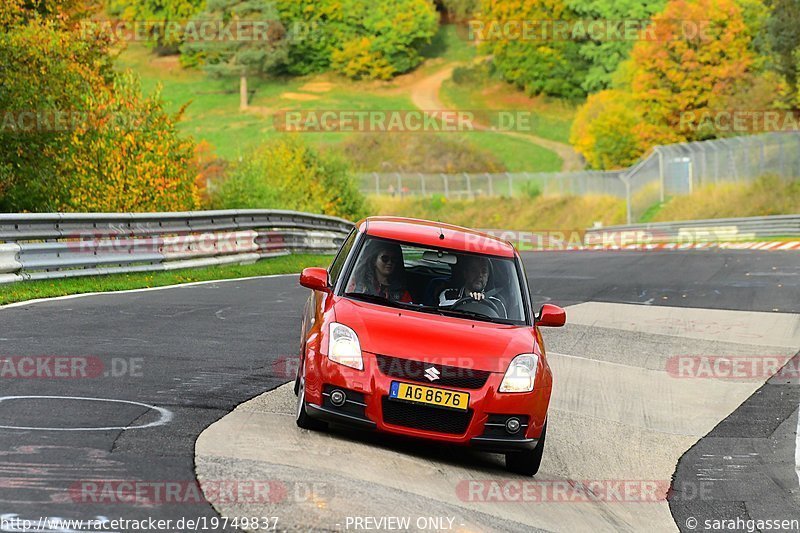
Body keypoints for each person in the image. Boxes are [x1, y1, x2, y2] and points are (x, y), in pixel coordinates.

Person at [439, 255, 507, 316]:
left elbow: (503, 328)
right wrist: (469, 301)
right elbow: (443, 320)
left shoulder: (497, 302)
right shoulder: (448, 295)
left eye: (484, 272)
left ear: (488, 277)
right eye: (474, 270)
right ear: (466, 273)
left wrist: (482, 303)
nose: (480, 275)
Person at [347, 241, 413, 303]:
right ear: (374, 261)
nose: (389, 262)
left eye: (393, 259)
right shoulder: (358, 284)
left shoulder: (400, 292)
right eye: (385, 258)